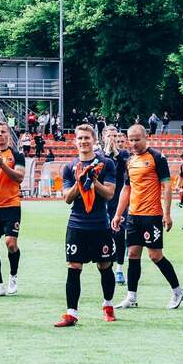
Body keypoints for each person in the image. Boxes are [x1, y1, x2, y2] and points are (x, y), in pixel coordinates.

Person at [111, 124, 183, 310]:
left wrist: (167, 213)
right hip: (133, 215)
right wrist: (118, 214)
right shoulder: (130, 161)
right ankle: (131, 296)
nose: (134, 143)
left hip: (152, 215)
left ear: (146, 138)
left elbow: (167, 186)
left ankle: (178, 291)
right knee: (133, 254)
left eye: (137, 139)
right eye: (131, 140)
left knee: (155, 255)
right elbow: (126, 189)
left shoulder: (157, 157)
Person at [54, 124, 118, 327]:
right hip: (77, 225)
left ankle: (108, 306)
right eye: (80, 138)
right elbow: (67, 198)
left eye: (87, 138)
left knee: (105, 265)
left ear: (94, 140)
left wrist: (93, 181)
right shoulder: (69, 167)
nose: (83, 141)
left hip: (100, 224)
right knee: (74, 266)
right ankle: (71, 313)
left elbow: (109, 194)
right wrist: (79, 182)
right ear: (75, 141)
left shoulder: (106, 163)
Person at [0, 122, 26, 297]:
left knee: (11, 243)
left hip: (11, 205)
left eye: (3, 132)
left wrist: (2, 165)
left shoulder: (17, 155)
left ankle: (13, 277)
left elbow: (19, 177)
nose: (0, 135)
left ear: (8, 134)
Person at [101, 127, 130, 285]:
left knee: (119, 234)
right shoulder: (99, 155)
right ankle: (107, 264)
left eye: (114, 135)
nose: (112, 139)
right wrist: (107, 152)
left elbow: (126, 167)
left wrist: (115, 152)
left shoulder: (123, 154)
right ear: (103, 137)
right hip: (103, 200)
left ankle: (119, 268)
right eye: (109, 136)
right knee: (105, 235)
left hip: (119, 200)